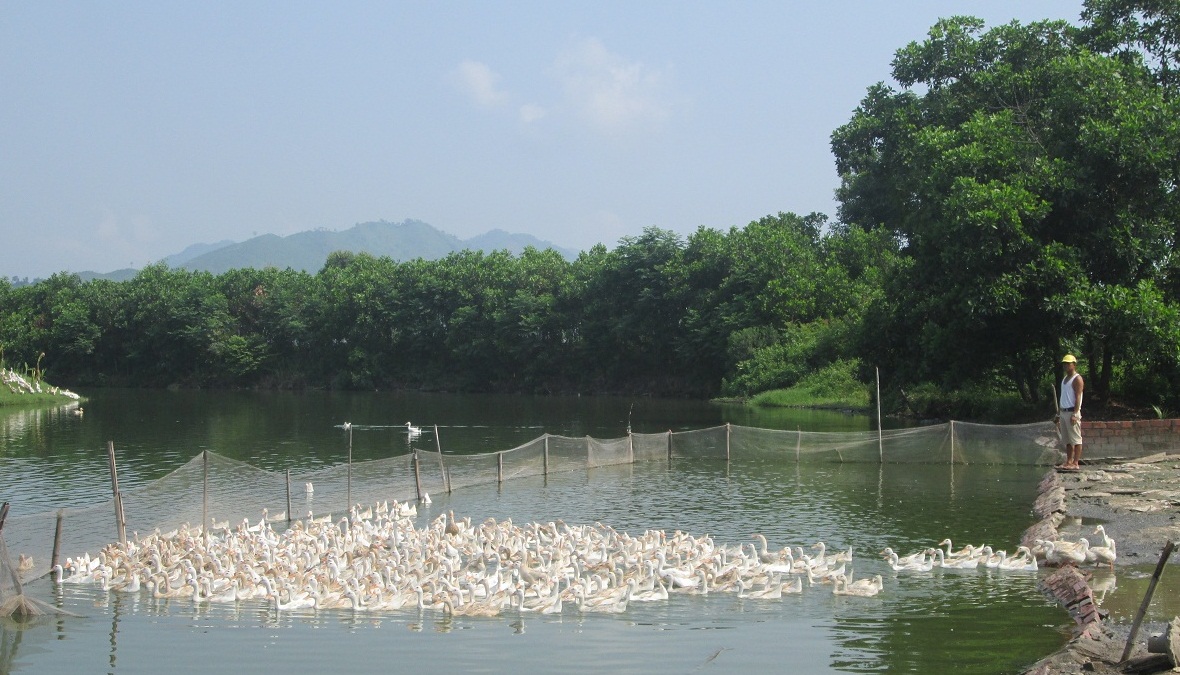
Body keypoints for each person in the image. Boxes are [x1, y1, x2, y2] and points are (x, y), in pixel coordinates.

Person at [1056, 354, 1084, 470]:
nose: (1066, 366)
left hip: (1072, 412)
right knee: (1067, 439)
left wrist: (1075, 413)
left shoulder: (1077, 378)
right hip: (1063, 411)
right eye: (1064, 364)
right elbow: (1063, 396)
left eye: (1068, 363)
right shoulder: (1064, 379)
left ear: (1074, 364)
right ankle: (1068, 461)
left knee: (1076, 439)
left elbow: (1078, 396)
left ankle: (1076, 462)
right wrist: (1058, 413)